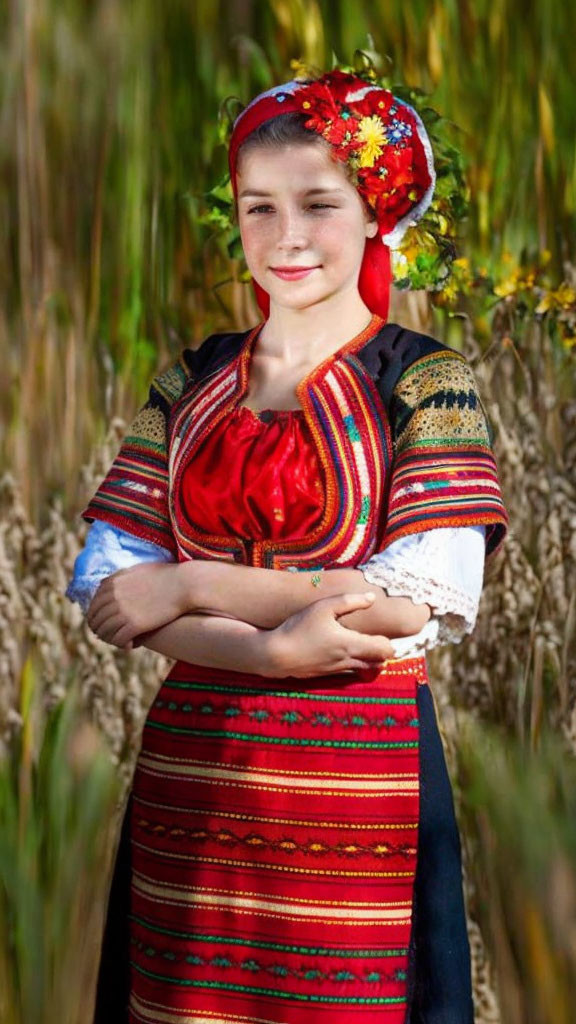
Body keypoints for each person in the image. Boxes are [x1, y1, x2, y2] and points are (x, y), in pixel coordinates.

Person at [66, 69, 508, 1024]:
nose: (288, 237)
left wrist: (187, 583)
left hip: (362, 786)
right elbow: (109, 590)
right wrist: (269, 649)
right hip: (195, 788)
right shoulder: (191, 379)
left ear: (376, 213)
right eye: (258, 207)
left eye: (319, 204)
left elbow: (407, 602)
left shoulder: (426, 381)